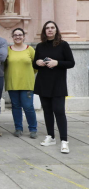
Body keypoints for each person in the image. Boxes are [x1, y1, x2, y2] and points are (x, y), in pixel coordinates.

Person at [33, 21, 75, 154]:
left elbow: (71, 63)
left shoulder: (63, 45)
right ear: (44, 31)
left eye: (52, 28)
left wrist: (57, 62)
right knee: (47, 111)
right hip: (43, 82)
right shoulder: (40, 46)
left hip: (58, 83)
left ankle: (64, 141)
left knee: (59, 111)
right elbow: (35, 64)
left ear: (56, 30)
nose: (50, 30)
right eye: (47, 28)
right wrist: (38, 62)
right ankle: (50, 136)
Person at [5, 28, 37, 139]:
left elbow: (36, 65)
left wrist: (28, 74)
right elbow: (4, 66)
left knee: (28, 107)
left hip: (26, 83)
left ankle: (33, 129)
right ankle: (18, 128)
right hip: (13, 83)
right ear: (12, 37)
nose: (18, 37)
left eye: (20, 35)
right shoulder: (8, 50)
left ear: (24, 36)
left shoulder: (30, 50)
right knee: (16, 107)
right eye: (15, 35)